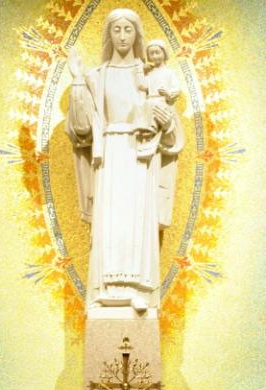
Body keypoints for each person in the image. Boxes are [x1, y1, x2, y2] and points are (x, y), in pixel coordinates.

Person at [65, 8, 184, 312]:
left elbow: (171, 139)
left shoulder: (150, 77)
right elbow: (80, 130)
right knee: (111, 224)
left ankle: (138, 288)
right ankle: (107, 290)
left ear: (137, 35)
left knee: (137, 224)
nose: (122, 36)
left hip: (140, 159)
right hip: (110, 157)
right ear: (109, 34)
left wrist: (166, 121)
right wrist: (78, 81)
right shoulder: (96, 76)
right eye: (116, 30)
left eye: (127, 30)